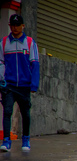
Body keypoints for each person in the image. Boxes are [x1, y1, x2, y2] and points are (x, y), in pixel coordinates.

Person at [0, 14, 40, 152]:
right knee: (7, 112)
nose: (15, 28)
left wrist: (34, 84)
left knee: (25, 113)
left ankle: (26, 140)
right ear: (9, 26)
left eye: (17, 25)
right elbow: (1, 62)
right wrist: (1, 80)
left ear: (23, 26)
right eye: (12, 25)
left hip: (24, 85)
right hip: (9, 85)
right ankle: (6, 141)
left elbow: (34, 64)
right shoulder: (4, 43)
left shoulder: (29, 43)